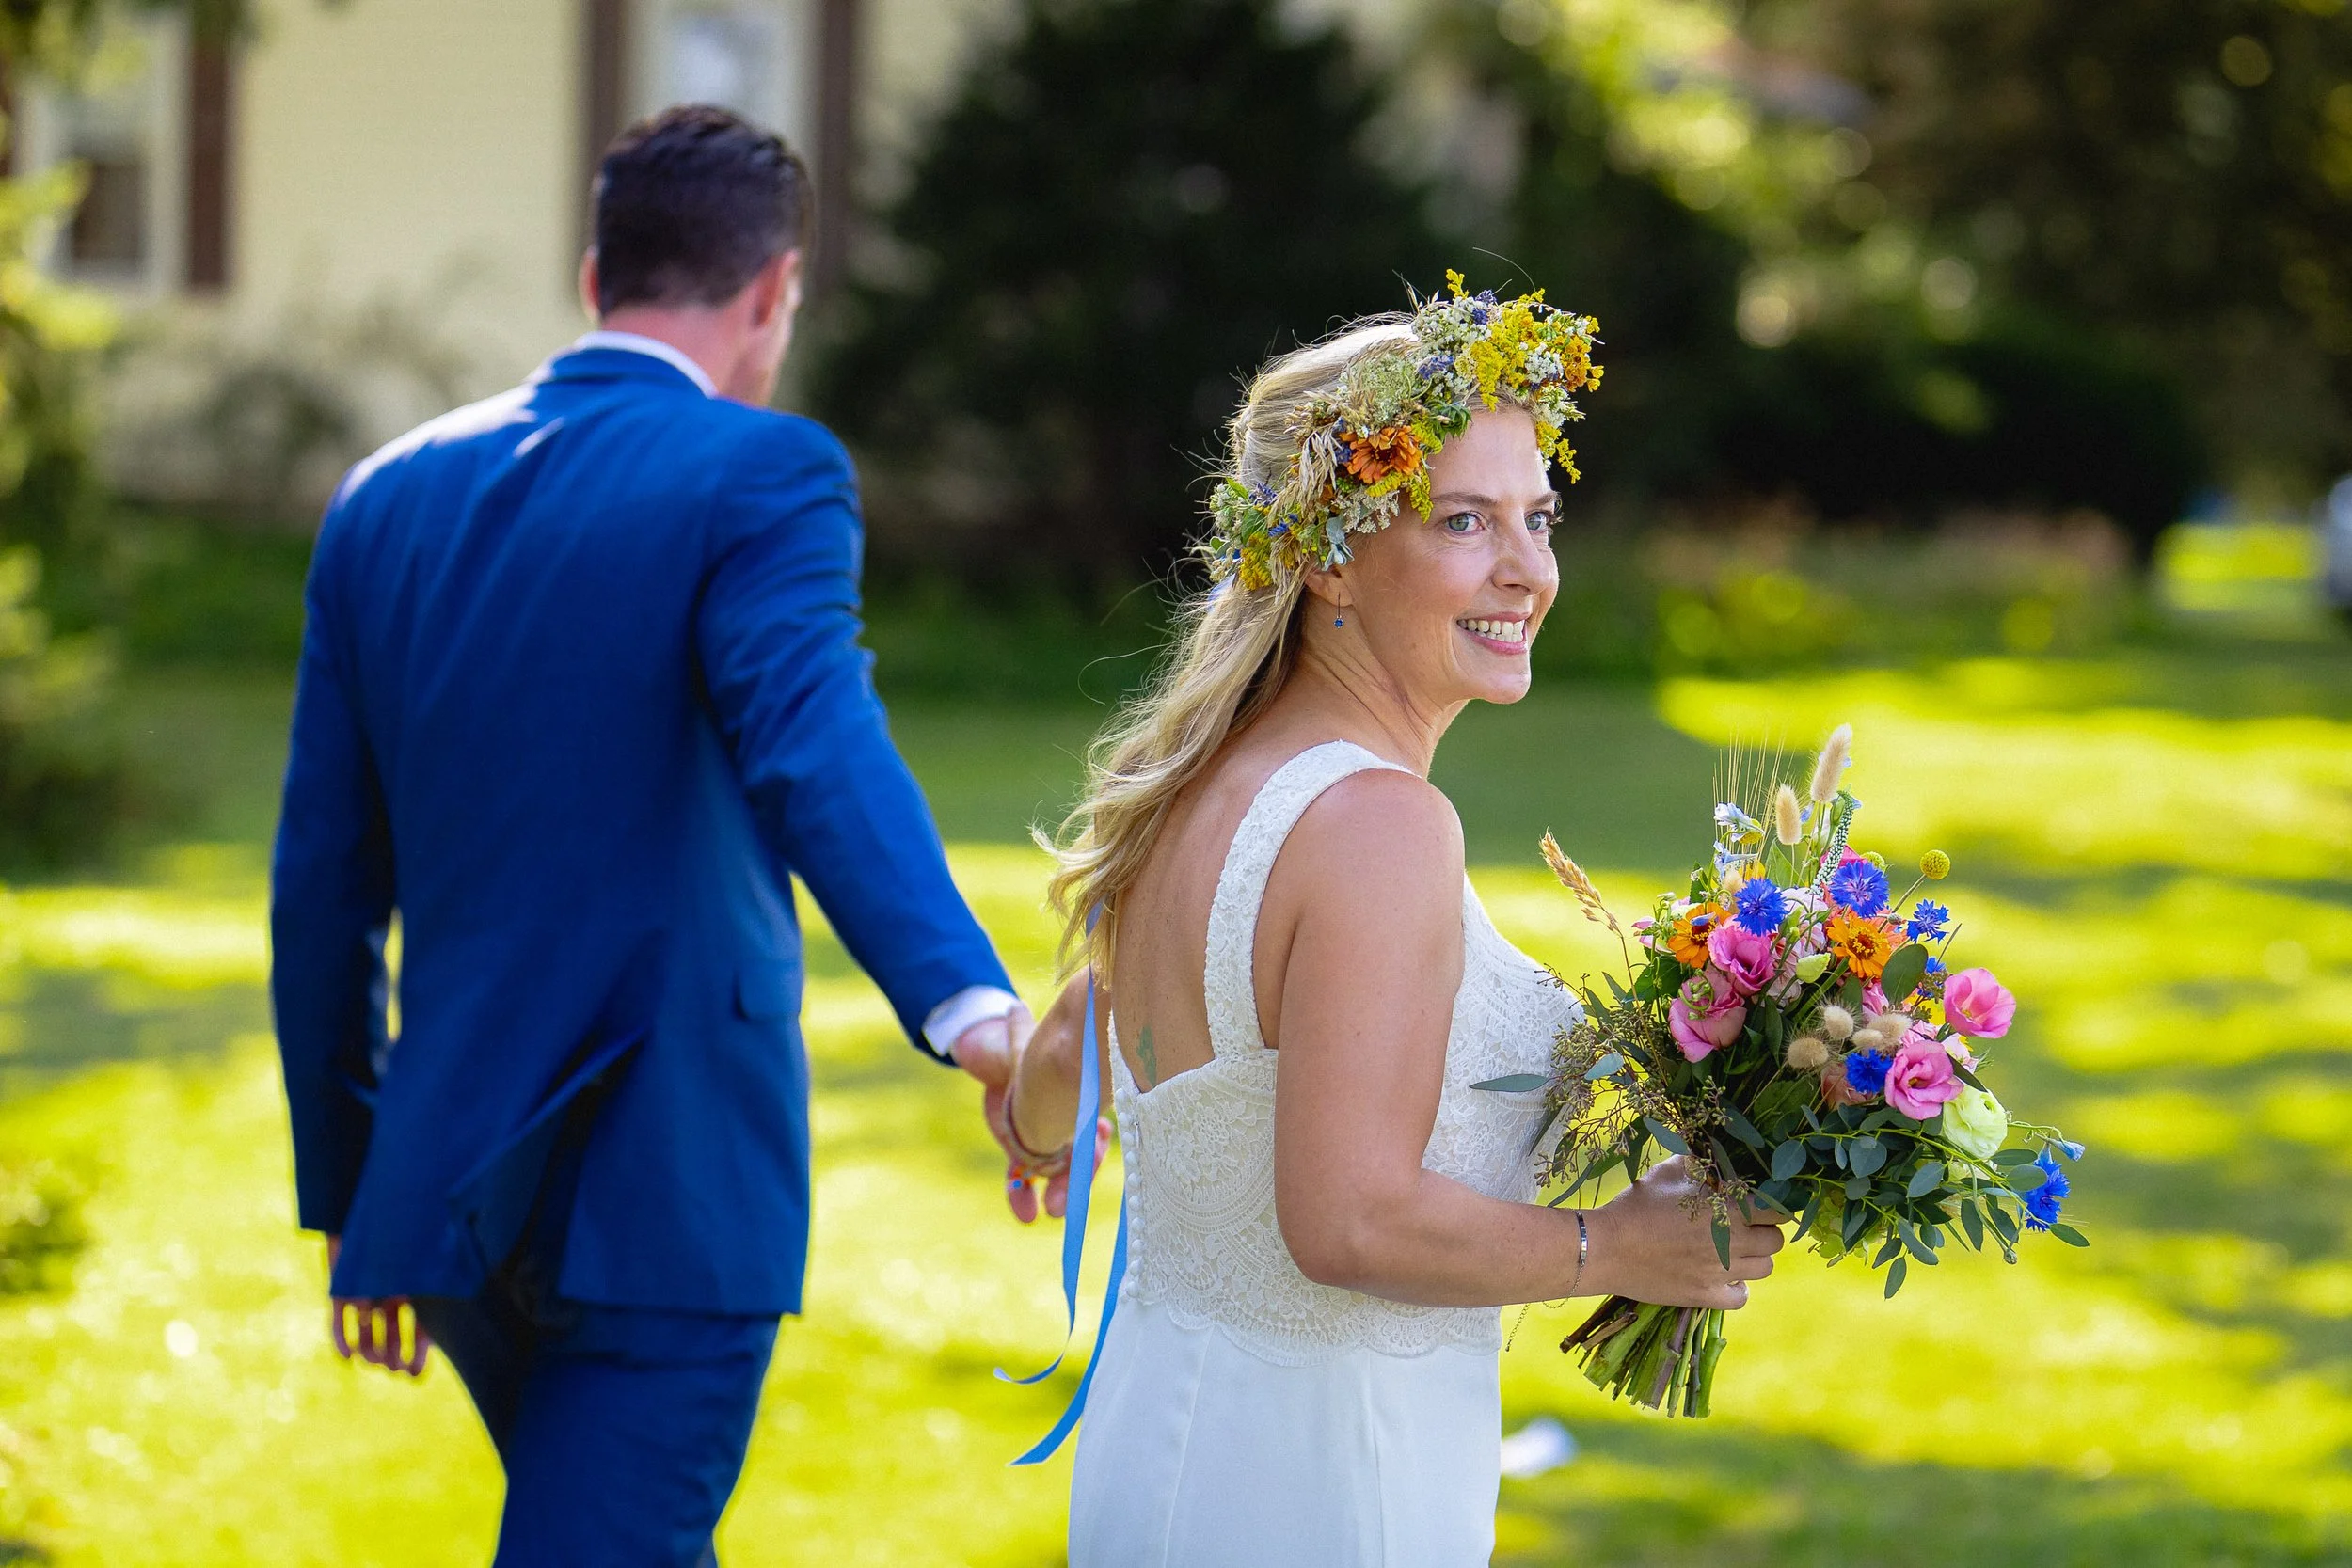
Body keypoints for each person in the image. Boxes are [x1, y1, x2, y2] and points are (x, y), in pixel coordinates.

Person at [268, 105, 1061, 1567]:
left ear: (594, 278)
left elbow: (322, 886)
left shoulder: (383, 496)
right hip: (672, 1183)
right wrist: (970, 1006)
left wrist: (354, 1190)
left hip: (448, 1189)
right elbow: (815, 742)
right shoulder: (761, 471)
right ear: (774, 292)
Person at [1001, 280, 1787, 1565]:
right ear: (1327, 557)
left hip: (1161, 1447)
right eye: (1465, 520)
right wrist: (1617, 1246)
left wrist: (1035, 1122)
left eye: (1538, 517)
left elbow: (1083, 1031)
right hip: (1330, 1476)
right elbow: (1348, 1220)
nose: (1527, 569)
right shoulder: (1379, 823)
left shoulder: (1192, 788)